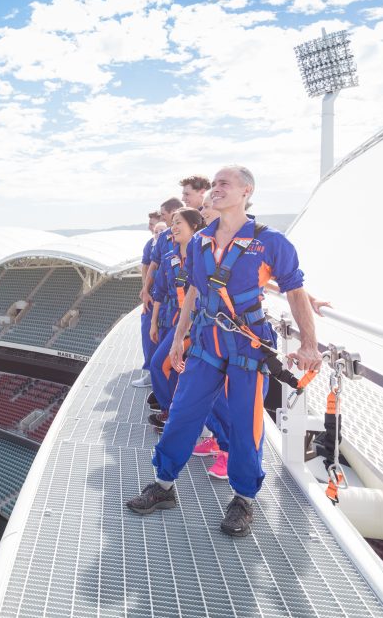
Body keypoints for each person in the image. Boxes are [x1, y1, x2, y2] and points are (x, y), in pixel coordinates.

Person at [126, 165, 322, 537]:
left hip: (247, 348)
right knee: (182, 415)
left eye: (223, 184)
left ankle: (243, 499)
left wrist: (309, 344)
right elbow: (196, 295)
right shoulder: (200, 242)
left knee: (246, 427)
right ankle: (164, 486)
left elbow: (294, 290)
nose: (215, 189)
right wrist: (180, 338)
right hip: (204, 345)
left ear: (245, 191)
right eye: (213, 184)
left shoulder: (271, 242)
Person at [146, 208, 231, 479]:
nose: (172, 228)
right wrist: (154, 321)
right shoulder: (173, 256)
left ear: (196, 226)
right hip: (182, 322)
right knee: (169, 371)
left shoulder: (210, 253)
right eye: (171, 223)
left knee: (208, 393)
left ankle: (225, 447)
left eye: (178, 223)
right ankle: (179, 418)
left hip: (207, 327)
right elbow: (161, 290)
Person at [133, 216, 165, 387]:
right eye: (155, 230)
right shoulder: (151, 245)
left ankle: (158, 374)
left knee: (162, 334)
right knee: (148, 332)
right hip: (153, 297)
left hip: (167, 298)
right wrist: (145, 289)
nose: (158, 233)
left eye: (161, 230)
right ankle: (151, 372)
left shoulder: (172, 245)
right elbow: (146, 266)